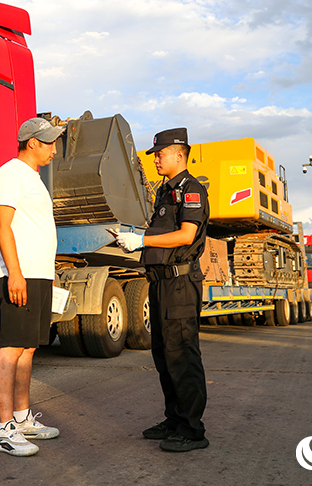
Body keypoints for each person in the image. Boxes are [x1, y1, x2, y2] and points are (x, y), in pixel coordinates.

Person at [116, 127, 210, 453]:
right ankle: (174, 419)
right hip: (160, 283)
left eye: (160, 153)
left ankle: (192, 429)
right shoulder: (164, 192)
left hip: (180, 284)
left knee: (182, 354)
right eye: (155, 154)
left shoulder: (191, 189)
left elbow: (186, 235)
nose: (155, 158)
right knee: (164, 355)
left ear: (179, 154)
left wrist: (142, 240)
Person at [0, 117, 64, 457]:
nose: (53, 149)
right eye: (48, 142)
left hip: (38, 275)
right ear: (31, 143)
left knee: (29, 348)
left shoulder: (33, 178)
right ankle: (5, 430)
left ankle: (22, 419)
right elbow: (3, 227)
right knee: (11, 347)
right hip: (19, 275)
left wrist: (46, 273)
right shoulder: (10, 173)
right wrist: (15, 273)